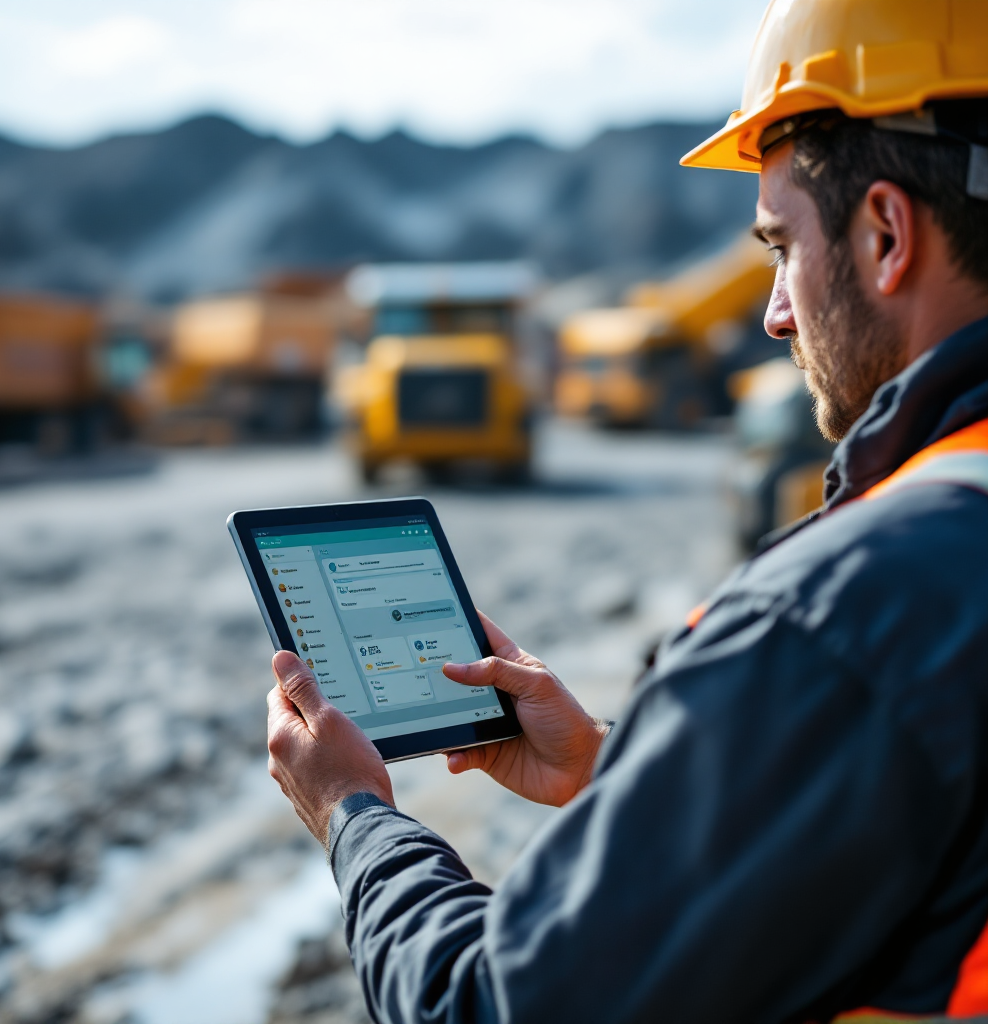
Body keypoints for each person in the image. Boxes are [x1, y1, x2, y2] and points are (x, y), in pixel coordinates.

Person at [265, 1, 988, 1019]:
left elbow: (493, 1004)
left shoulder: (851, 609)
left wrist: (353, 814)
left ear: (883, 233)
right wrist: (626, 772)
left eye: (780, 245)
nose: (775, 310)